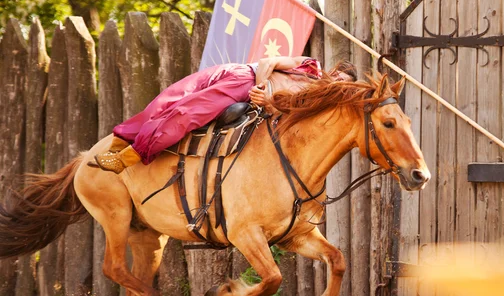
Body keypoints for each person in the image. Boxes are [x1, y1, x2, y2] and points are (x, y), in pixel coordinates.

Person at [94, 57, 357, 174]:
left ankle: (130, 157)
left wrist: (266, 100)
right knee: (171, 97)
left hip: (244, 93)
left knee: (187, 114)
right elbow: (269, 62)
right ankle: (122, 138)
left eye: (341, 82)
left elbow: (280, 113)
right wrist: (263, 84)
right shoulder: (311, 68)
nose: (335, 80)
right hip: (242, 73)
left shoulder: (312, 103)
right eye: (337, 74)